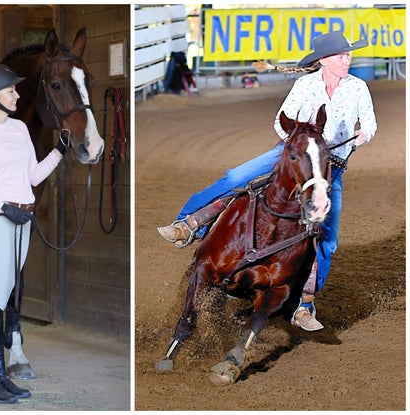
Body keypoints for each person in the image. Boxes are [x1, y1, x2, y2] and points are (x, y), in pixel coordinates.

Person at [156, 31, 376, 331]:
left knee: (328, 239)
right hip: (292, 156)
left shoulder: (358, 88)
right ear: (324, 60)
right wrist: (296, 146)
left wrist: (363, 134)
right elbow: (280, 120)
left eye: (348, 55)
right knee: (236, 177)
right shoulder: (305, 85)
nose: (347, 59)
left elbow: (371, 123)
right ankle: (190, 224)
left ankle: (304, 304)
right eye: (341, 55)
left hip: (328, 166)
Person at [0, 63, 67, 404]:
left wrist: (59, 151)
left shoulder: (19, 129)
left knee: (4, 298)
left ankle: (0, 376)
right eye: (11, 91)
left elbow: (32, 177)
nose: (18, 95)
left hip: (23, 220)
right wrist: (4, 209)